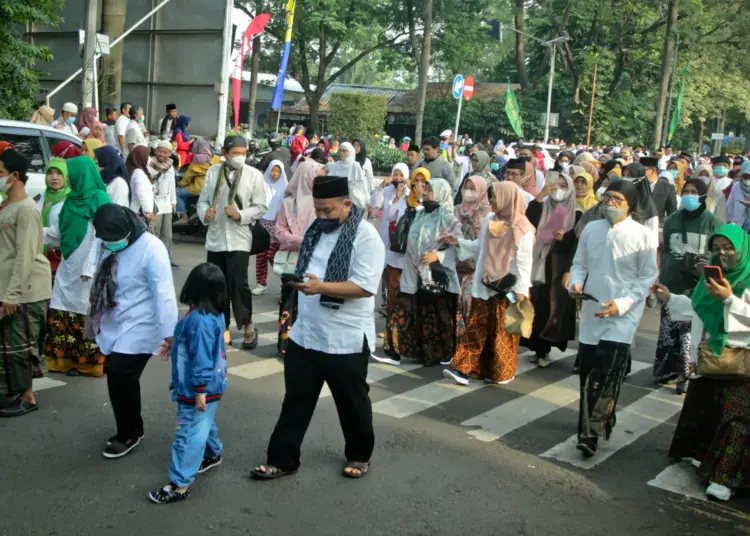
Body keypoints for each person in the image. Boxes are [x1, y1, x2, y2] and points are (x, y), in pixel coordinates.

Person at [251, 175, 385, 480]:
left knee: (352, 403)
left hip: (346, 336)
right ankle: (282, 459)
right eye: (318, 210)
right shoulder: (316, 230)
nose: (322, 216)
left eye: (328, 210)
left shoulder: (365, 237)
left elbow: (365, 287)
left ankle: (359, 455)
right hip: (307, 331)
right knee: (296, 400)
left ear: (347, 204)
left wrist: (322, 287)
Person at [654, 224, 750, 502]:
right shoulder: (711, 280)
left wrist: (730, 299)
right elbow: (697, 310)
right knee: (707, 411)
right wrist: (671, 298)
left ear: (741, 248)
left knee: (736, 422)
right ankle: (703, 458)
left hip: (741, 362)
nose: (723, 254)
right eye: (717, 249)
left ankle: (725, 478)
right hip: (710, 359)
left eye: (729, 248)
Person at [568, 180, 658, 457]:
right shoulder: (592, 229)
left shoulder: (643, 236)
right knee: (588, 373)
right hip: (593, 312)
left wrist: (621, 305)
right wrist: (576, 283)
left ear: (629, 204)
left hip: (622, 317)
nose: (610, 204)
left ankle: (590, 433)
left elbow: (647, 278)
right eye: (607, 198)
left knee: (607, 376)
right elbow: (580, 264)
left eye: (617, 199)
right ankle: (594, 420)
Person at [88, 204, 177, 457]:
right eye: (107, 240)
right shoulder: (107, 243)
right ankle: (126, 428)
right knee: (117, 375)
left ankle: (130, 433)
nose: (110, 244)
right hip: (116, 318)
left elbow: (164, 293)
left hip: (144, 322)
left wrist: (170, 332)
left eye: (115, 240)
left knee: (121, 373)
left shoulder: (151, 248)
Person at [148, 262, 227, 504]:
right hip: (210, 384)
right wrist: (175, 345)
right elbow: (202, 348)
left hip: (197, 387)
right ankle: (213, 453)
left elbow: (202, 356)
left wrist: (199, 391)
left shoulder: (199, 319)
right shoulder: (211, 313)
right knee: (203, 423)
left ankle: (180, 484)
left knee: (188, 434)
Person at [443, 182, 534, 385]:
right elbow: (480, 247)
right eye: (491, 196)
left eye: (494, 197)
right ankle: (462, 369)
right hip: (484, 283)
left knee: (502, 332)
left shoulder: (523, 228)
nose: (491, 201)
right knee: (476, 327)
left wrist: (521, 292)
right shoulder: (489, 221)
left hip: (507, 288)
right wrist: (458, 241)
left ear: (507, 198)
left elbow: (524, 263)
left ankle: (499, 372)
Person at [197, 135, 268, 348]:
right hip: (217, 237)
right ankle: (223, 327)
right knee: (217, 285)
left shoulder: (254, 175)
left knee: (239, 284)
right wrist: (205, 213)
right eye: (236, 153)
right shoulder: (213, 172)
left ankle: (247, 325)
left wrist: (240, 214)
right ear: (225, 154)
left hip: (240, 238)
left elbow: (261, 206)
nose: (240, 157)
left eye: (243, 153)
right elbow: (203, 201)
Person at [654, 177, 722, 394]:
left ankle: (686, 373)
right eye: (686, 191)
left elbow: (718, 254)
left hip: (697, 286)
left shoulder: (712, 223)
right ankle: (666, 369)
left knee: (689, 333)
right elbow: (664, 249)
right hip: (672, 282)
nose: (689, 196)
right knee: (669, 328)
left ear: (702, 196)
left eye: (694, 192)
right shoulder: (673, 219)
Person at [46, 157, 111, 377]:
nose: (69, 178)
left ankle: (87, 363)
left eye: (71, 174)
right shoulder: (71, 200)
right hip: (68, 263)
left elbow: (102, 237)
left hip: (88, 268)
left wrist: (90, 267)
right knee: (63, 305)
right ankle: (64, 359)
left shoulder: (100, 199)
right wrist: (37, 232)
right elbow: (59, 233)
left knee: (85, 309)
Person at [0, 150, 52, 418]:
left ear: (14, 176)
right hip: (8, 285)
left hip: (25, 290)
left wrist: (12, 295)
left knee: (21, 346)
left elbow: (25, 256)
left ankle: (28, 397)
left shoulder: (27, 210)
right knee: (8, 345)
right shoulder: (5, 204)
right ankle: (13, 392)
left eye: (0, 172)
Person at [395, 178, 462, 366]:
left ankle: (442, 353)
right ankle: (418, 352)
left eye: (430, 189)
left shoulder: (447, 217)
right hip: (415, 273)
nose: (425, 192)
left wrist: (438, 257)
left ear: (441, 193)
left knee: (437, 315)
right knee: (416, 311)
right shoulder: (420, 214)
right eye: (425, 188)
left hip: (437, 277)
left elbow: (460, 247)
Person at [522, 173, 578, 367]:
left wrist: (565, 238)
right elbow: (528, 220)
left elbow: (576, 246)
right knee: (537, 305)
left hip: (558, 268)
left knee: (551, 308)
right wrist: (541, 196)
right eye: (556, 185)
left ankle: (544, 350)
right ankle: (538, 348)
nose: (559, 189)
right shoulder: (542, 207)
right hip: (538, 264)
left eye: (564, 186)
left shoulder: (575, 214)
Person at [275, 158, 324, 355]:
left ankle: (305, 344)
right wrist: (301, 241)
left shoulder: (320, 204)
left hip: (314, 263)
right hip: (292, 263)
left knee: (310, 304)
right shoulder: (287, 204)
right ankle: (286, 345)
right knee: (288, 301)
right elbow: (279, 232)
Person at [452, 175, 491, 341]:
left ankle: (468, 344)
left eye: (473, 189)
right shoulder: (456, 210)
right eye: (466, 188)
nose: (468, 192)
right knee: (456, 304)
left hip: (474, 269)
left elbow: (482, 244)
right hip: (456, 265)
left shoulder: (487, 215)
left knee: (469, 304)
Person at [253, 160, 288, 295]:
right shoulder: (262, 184)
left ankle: (286, 282)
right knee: (260, 254)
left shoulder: (286, 187)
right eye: (273, 170)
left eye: (278, 171)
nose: (275, 174)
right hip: (262, 222)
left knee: (273, 255)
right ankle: (261, 283)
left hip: (277, 225)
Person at [38, 158, 71, 276]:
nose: (54, 177)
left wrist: (35, 232)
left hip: (59, 257)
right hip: (38, 255)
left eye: (59, 173)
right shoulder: (44, 195)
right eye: (50, 173)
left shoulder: (70, 199)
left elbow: (61, 229)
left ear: (66, 176)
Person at [176, 138, 219, 223]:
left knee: (178, 194)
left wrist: (181, 184)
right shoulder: (216, 158)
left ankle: (184, 217)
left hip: (199, 188)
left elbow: (188, 177)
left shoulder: (197, 159)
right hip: (213, 187)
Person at [149, 140, 177, 267]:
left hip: (167, 204)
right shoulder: (150, 163)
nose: (163, 154)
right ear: (156, 151)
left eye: (166, 152)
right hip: (154, 204)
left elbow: (172, 185)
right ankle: (153, 260)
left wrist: (173, 201)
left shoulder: (170, 166)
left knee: (167, 234)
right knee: (155, 233)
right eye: (160, 151)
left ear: (170, 153)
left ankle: (166, 259)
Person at [326, 142, 369, 210]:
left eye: (344, 151)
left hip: (352, 200)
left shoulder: (355, 166)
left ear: (350, 152)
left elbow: (362, 185)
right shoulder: (335, 165)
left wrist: (367, 201)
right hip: (337, 199)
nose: (341, 152)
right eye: (340, 150)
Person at [641, 157, 678, 225]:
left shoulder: (668, 187)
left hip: (658, 226)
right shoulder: (637, 185)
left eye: (643, 170)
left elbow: (672, 213)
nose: (640, 172)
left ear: (653, 170)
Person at [127, 146, 155, 225]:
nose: (149, 158)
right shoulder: (138, 173)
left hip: (139, 210)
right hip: (140, 211)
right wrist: (148, 211)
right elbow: (141, 193)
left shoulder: (137, 169)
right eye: (147, 155)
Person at [726, 160, 750, 227]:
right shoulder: (736, 187)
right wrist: (730, 221)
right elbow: (729, 206)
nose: (747, 179)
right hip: (736, 225)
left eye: (749, 176)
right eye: (745, 176)